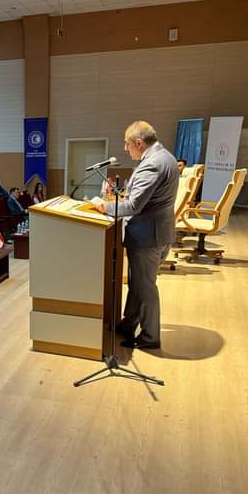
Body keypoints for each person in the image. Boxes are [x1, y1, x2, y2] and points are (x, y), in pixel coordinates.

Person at [95, 121, 179, 350]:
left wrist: (106, 207)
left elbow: (134, 205)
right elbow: (148, 195)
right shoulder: (165, 156)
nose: (125, 148)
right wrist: (120, 193)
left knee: (145, 287)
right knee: (137, 283)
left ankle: (151, 337)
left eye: (127, 143)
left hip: (148, 236)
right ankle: (129, 323)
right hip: (158, 232)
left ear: (139, 143)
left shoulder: (152, 164)